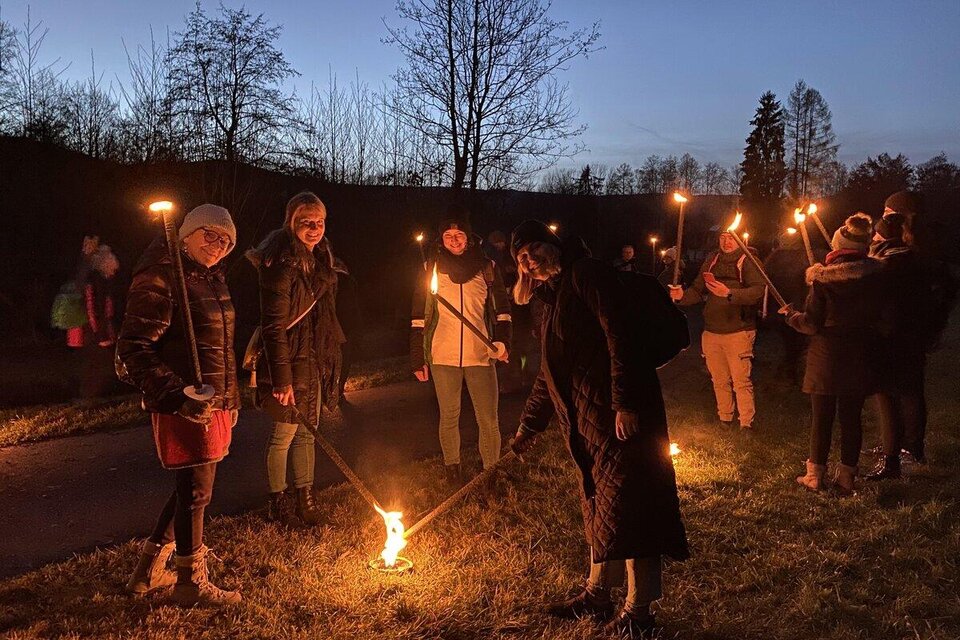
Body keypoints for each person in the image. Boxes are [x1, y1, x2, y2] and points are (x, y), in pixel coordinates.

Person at [508, 220, 688, 638]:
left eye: (533, 249)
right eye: (520, 257)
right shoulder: (551, 298)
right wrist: (528, 427)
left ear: (551, 245)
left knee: (633, 507)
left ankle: (639, 613)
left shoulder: (587, 274)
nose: (529, 260)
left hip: (621, 414)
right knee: (600, 505)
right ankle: (596, 595)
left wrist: (625, 402)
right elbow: (548, 372)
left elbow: (619, 336)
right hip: (587, 422)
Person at [116, 204, 241, 607]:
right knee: (196, 490)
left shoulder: (212, 280)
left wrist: (231, 399)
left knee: (192, 488)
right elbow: (134, 348)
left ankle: (148, 571)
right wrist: (176, 396)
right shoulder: (160, 276)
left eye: (226, 240)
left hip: (213, 400)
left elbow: (221, 348)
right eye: (210, 234)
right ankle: (190, 581)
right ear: (186, 233)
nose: (217, 244)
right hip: (184, 399)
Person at [246, 191, 344, 527]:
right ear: (292, 223)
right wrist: (282, 379)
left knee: (309, 433)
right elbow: (274, 327)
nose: (314, 228)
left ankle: (306, 501)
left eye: (319, 222)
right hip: (290, 359)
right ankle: (278, 503)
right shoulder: (281, 262)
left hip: (313, 358)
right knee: (284, 434)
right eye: (306, 223)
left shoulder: (322, 262)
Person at [782, 213, 884, 495]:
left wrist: (791, 316)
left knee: (822, 417)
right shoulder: (876, 277)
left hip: (827, 356)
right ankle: (847, 478)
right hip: (861, 354)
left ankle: (814, 476)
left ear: (838, 245)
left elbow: (812, 324)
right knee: (851, 417)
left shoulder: (823, 279)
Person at [410, 205, 511, 484]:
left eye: (459, 234)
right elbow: (418, 316)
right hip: (443, 354)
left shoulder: (487, 268)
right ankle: (452, 469)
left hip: (480, 354)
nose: (454, 240)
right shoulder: (430, 269)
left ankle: (491, 470)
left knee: (488, 418)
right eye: (448, 235)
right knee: (449, 415)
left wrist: (503, 341)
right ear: (440, 240)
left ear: (469, 237)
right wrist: (417, 356)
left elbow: (503, 311)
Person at [866, 191, 957, 478]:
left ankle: (911, 448)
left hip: (903, 331)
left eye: (887, 212)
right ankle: (896, 446)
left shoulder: (912, 254)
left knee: (906, 391)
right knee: (902, 389)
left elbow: (937, 288)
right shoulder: (914, 249)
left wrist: (932, 321)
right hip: (909, 330)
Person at [669, 229, 766, 430]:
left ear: (739, 240)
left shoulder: (748, 260)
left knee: (741, 380)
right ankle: (725, 418)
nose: (727, 241)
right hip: (712, 330)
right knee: (719, 379)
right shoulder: (712, 259)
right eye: (723, 237)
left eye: (731, 238)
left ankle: (746, 423)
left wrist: (729, 292)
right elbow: (697, 289)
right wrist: (681, 296)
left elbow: (758, 291)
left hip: (739, 330)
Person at [764, 230, 814, 385]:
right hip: (795, 306)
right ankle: (790, 370)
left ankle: (789, 370)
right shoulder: (800, 256)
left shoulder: (775, 257)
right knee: (793, 341)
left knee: (790, 341)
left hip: (783, 306)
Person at [333, 257, 363, 403]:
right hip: (348, 325)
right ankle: (339, 389)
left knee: (331, 359)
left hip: (334, 324)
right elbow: (354, 305)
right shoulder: (349, 281)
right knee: (345, 359)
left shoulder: (329, 281)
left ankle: (331, 388)